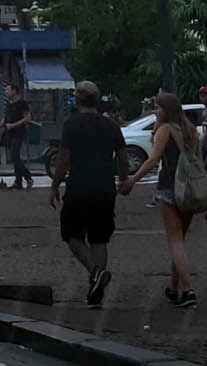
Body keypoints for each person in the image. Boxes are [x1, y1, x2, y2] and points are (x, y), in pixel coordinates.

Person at [121, 92, 206, 308]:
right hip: (190, 191)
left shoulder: (165, 130)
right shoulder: (190, 131)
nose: (154, 112)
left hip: (169, 188)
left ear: (166, 110)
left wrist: (133, 180)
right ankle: (174, 288)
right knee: (180, 243)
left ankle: (188, 290)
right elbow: (199, 164)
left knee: (175, 242)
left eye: (157, 108)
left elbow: (153, 160)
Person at [50, 81, 127, 308]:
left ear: (78, 100)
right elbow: (122, 156)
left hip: (79, 186)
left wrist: (55, 185)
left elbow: (63, 159)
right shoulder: (111, 126)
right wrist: (123, 179)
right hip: (105, 187)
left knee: (71, 234)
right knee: (99, 237)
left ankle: (95, 273)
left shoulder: (72, 125)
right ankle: (97, 290)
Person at [3, 83, 34, 188]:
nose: (6, 92)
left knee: (14, 155)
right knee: (15, 157)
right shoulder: (9, 104)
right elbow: (5, 118)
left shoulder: (22, 104)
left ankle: (28, 177)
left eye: (8, 90)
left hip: (19, 133)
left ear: (14, 91)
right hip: (10, 133)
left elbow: (27, 118)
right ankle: (18, 182)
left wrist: (13, 125)